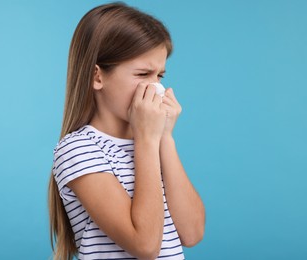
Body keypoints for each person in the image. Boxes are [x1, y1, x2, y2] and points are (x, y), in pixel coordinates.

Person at [48, 2, 205, 259]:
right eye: (143, 74)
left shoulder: (152, 141)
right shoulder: (78, 149)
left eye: (160, 76)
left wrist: (164, 136)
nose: (156, 89)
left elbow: (192, 233)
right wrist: (146, 139)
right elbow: (144, 246)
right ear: (97, 77)